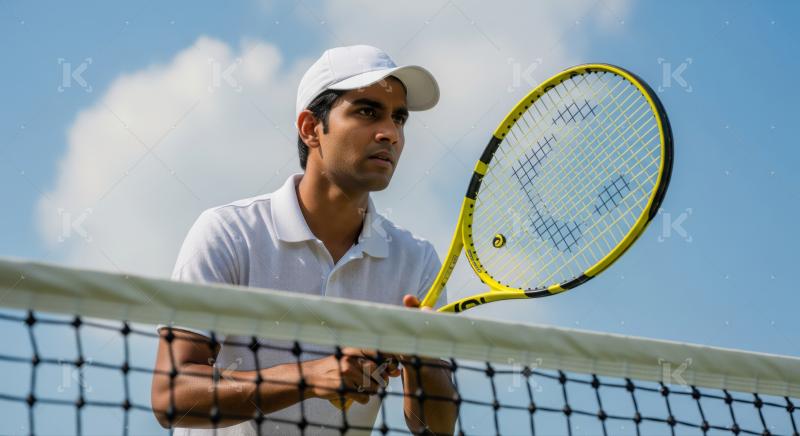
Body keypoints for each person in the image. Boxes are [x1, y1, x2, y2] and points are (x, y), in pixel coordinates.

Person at [151, 45, 457, 435]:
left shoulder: (417, 260)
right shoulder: (226, 232)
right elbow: (173, 397)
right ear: (311, 128)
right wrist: (311, 375)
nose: (390, 134)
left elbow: (434, 430)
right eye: (367, 111)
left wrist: (423, 357)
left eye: (399, 119)